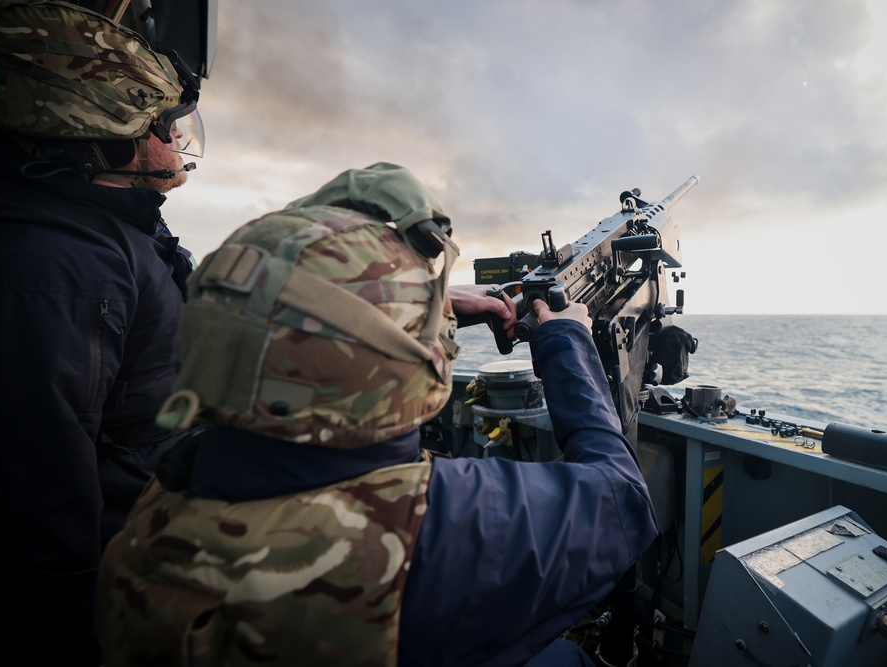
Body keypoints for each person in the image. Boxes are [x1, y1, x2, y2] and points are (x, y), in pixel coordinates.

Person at [95, 163, 659, 666]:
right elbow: (622, 500)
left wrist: (428, 309)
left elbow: (291, 335)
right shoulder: (433, 529)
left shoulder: (167, 493)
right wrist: (567, 342)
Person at [0, 1, 205, 664]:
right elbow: (36, 516)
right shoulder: (59, 270)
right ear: (104, 136)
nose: (179, 143)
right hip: (120, 591)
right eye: (166, 126)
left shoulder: (119, 224)